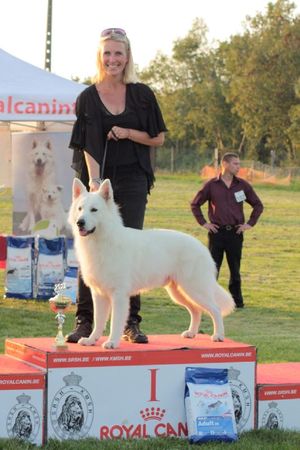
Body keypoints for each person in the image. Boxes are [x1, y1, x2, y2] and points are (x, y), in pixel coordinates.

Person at [66, 28, 167, 343]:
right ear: (100, 56)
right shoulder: (87, 97)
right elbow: (86, 144)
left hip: (134, 178)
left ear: (127, 57)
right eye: (107, 53)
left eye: (118, 53)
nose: (113, 59)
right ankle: (86, 322)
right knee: (89, 247)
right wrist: (94, 179)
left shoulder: (143, 94)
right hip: (99, 180)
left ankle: (130, 322)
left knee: (129, 248)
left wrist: (127, 132)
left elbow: (158, 138)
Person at [190, 152, 263, 308]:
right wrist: (204, 223)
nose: (239, 167)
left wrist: (249, 224)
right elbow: (195, 204)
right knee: (213, 268)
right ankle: (209, 300)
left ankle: (237, 301)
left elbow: (258, 205)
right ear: (225, 164)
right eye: (236, 164)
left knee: (235, 269)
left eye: (238, 163)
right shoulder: (211, 185)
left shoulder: (242, 185)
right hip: (217, 233)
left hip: (235, 233)